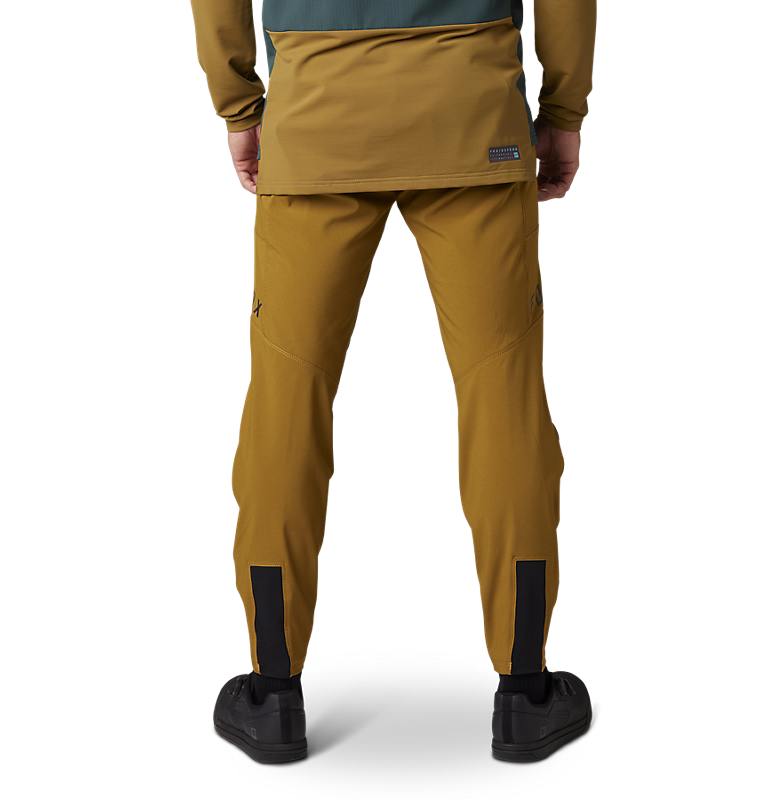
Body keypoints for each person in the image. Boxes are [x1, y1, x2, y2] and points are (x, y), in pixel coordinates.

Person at [190, 0, 596, 764]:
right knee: (503, 398)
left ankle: (272, 694)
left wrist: (239, 106)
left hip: (315, 120)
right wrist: (564, 108)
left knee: (287, 400)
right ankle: (525, 693)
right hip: (473, 118)